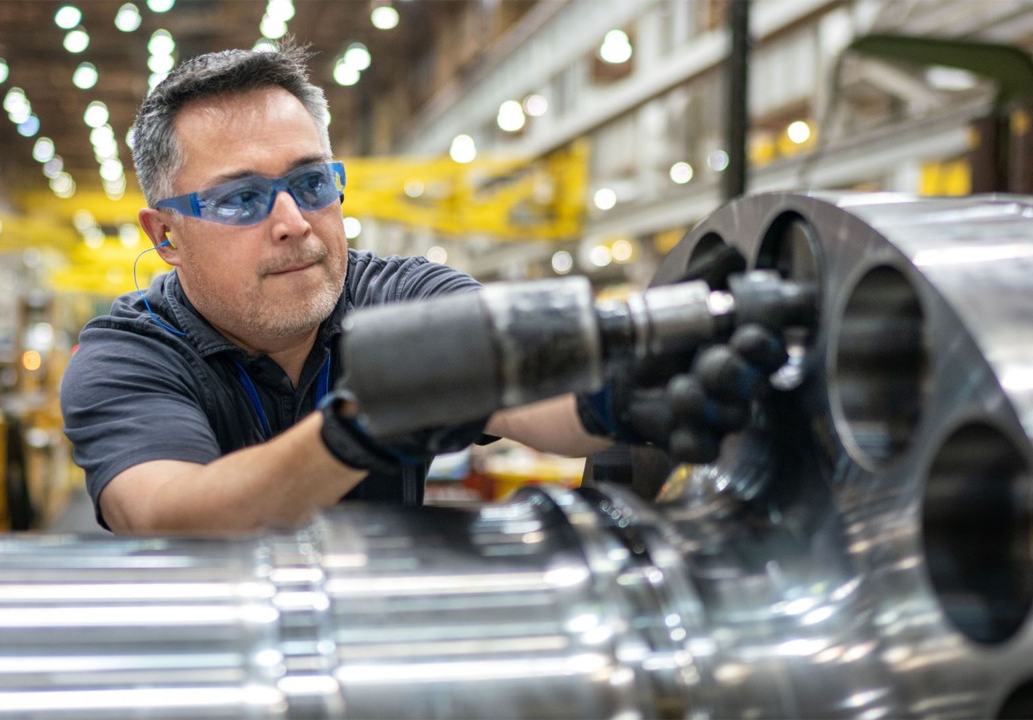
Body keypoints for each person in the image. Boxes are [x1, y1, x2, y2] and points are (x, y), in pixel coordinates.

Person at [60, 42, 781, 534]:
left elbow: (535, 395)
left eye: (311, 184)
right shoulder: (129, 355)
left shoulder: (400, 298)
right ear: (165, 235)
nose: (292, 223)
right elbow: (173, 516)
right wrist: (358, 427)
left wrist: (619, 386)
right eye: (240, 200)